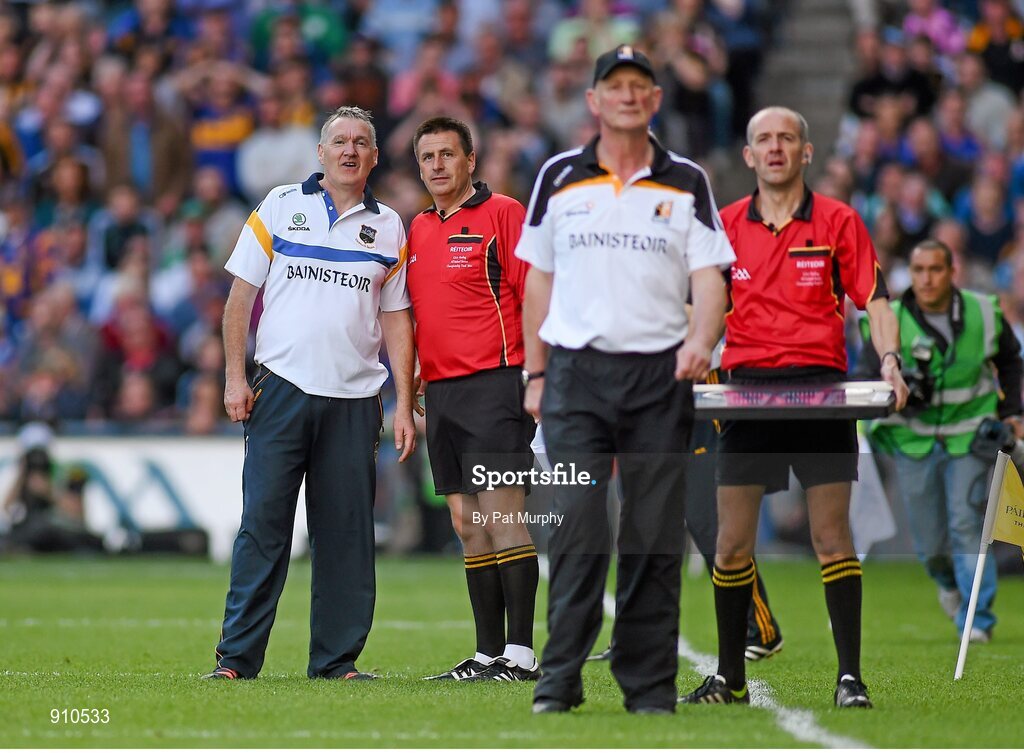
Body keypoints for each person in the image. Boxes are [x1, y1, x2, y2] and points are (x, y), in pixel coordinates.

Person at [518, 45, 735, 714]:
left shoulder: (688, 179)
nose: (628, 95)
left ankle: (647, 687)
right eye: (615, 86)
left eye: (641, 84)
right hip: (576, 378)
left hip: (658, 376)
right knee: (578, 527)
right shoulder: (558, 173)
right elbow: (538, 278)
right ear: (594, 101)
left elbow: (710, 276)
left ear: (655, 99)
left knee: (651, 533)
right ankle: (560, 679)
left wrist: (702, 338)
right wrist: (534, 371)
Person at [680, 106, 909, 710]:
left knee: (832, 539)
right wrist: (694, 351)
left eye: (787, 138)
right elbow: (701, 307)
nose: (775, 147)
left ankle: (850, 679)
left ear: (806, 152)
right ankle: (731, 681)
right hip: (747, 392)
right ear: (750, 156)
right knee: (731, 546)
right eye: (763, 139)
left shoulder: (839, 221)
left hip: (822, 394)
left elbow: (876, 300)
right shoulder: (724, 225)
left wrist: (890, 360)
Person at [203, 106, 416, 681]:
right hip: (281, 391)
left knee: (347, 532)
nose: (350, 150)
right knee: (263, 526)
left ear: (374, 157)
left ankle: (336, 661)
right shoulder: (278, 206)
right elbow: (239, 301)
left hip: (355, 401)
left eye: (362, 143)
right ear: (320, 153)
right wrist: (233, 378)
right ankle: (236, 661)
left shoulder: (391, 226)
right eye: (339, 141)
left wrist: (403, 401)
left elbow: (397, 319)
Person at [406, 116, 540, 682]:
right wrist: (414, 370)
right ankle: (487, 654)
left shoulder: (503, 214)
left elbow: (534, 293)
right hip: (441, 394)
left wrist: (537, 374)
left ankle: (522, 654)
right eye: (427, 157)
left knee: (504, 516)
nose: (437, 165)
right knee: (467, 523)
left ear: (470, 160)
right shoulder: (416, 228)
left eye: (446, 155)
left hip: (495, 383)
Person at [862, 239, 1023, 644]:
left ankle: (977, 619)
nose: (927, 278)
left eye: (935, 269)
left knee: (966, 522)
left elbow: (1010, 361)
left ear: (952, 273)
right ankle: (948, 583)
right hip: (913, 437)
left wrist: (1013, 412)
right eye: (919, 270)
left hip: (968, 432)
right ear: (910, 274)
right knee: (930, 541)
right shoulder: (889, 319)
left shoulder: (984, 313)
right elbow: (868, 373)